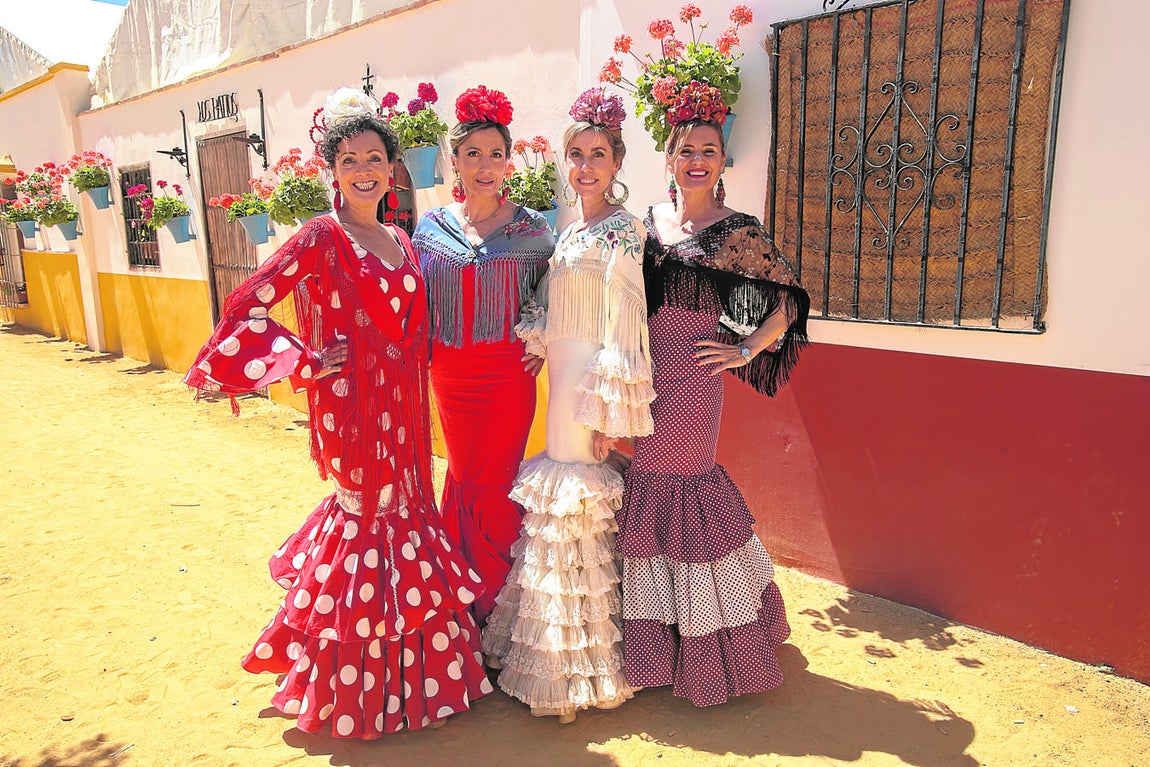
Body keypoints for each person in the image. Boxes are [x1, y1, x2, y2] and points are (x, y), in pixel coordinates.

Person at [184, 88, 491, 738]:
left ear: (391, 169)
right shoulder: (323, 237)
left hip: (407, 422)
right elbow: (249, 300)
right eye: (349, 158)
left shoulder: (402, 240)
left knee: (407, 522)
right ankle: (355, 691)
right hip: (354, 423)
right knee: (365, 530)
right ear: (333, 169)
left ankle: (419, 685)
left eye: (374, 158)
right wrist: (301, 360)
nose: (363, 169)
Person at [617, 82, 811, 708]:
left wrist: (749, 348)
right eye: (687, 149)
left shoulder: (738, 231)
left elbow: (789, 298)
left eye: (710, 150)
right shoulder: (648, 222)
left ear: (722, 164)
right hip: (642, 379)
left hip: (696, 382)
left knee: (688, 491)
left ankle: (711, 651)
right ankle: (655, 646)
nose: (697, 159)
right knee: (645, 489)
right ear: (669, 158)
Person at [480, 88, 652, 723]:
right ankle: (550, 652)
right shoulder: (568, 228)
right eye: (576, 154)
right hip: (559, 375)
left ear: (617, 163)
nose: (585, 166)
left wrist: (610, 411)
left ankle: (579, 668)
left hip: (586, 389)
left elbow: (626, 321)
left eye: (598, 155)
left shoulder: (624, 230)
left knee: (576, 501)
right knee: (557, 498)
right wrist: (538, 338)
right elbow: (558, 307)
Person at [411, 86, 554, 625]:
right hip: (449, 375)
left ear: (509, 162)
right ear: (455, 161)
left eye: (496, 154)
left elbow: (554, 296)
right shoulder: (430, 228)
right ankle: (460, 597)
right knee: (463, 477)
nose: (485, 165)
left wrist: (539, 337)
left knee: (495, 484)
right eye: (473, 154)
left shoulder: (534, 230)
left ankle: (495, 609)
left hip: (506, 378)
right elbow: (412, 297)